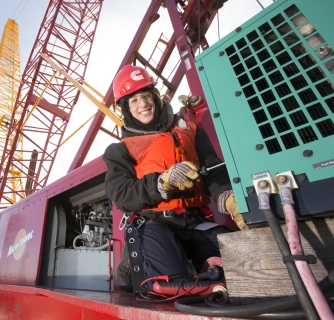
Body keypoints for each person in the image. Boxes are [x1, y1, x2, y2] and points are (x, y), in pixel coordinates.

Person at [102, 65, 249, 292]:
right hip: (155, 223)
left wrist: (228, 197)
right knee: (174, 287)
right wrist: (162, 183)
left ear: (156, 97)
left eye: (146, 96)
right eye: (133, 100)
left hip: (195, 222)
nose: (143, 104)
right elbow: (121, 193)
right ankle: (131, 264)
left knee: (244, 269)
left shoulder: (191, 132)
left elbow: (214, 171)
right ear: (125, 108)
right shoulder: (119, 150)